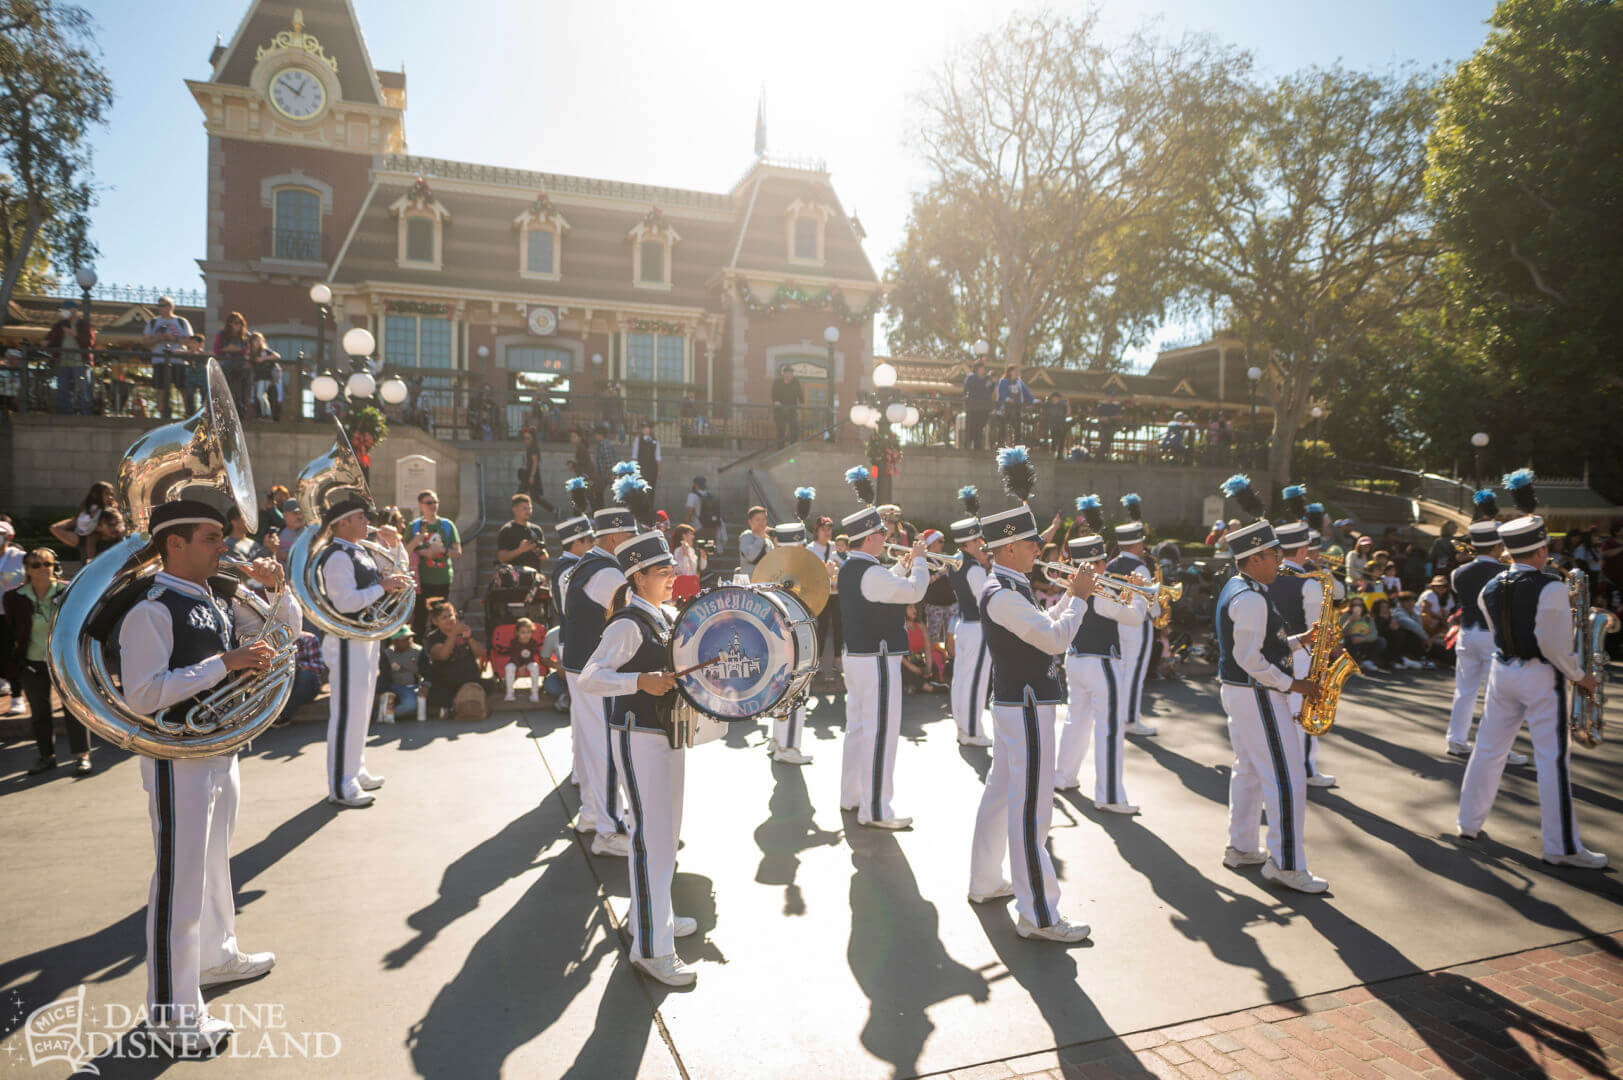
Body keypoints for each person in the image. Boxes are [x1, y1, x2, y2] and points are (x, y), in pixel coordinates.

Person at [116, 500, 299, 1054]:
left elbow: (287, 635)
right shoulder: (151, 608)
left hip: (220, 747)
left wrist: (278, 589)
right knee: (180, 883)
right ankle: (172, 1018)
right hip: (179, 757)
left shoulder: (215, 596)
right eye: (211, 537)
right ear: (175, 544)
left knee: (216, 864)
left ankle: (218, 958)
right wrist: (227, 664)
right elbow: (143, 694)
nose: (225, 545)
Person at [968, 461, 1096, 943]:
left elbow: (1042, 625)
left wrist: (1067, 596)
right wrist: (1080, 600)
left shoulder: (1011, 586)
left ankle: (986, 882)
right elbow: (1054, 641)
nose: (1040, 548)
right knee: (1032, 811)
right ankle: (1038, 914)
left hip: (1019, 704)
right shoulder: (1002, 592)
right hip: (1025, 707)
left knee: (1002, 795)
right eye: (1032, 543)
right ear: (1008, 548)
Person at [578, 525, 700, 986]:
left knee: (666, 835)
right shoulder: (628, 623)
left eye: (672, 568)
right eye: (663, 570)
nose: (673, 575)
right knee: (651, 837)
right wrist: (639, 682)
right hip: (639, 736)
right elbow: (591, 678)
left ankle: (654, 918)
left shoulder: (662, 614)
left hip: (664, 734)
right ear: (638, 576)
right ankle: (651, 947)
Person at [1458, 512, 1606, 868]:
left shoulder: (1489, 587)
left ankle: (1468, 823)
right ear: (1540, 548)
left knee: (1488, 749)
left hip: (1503, 671)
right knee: (1552, 760)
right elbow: (1552, 645)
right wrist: (1580, 674)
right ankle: (1561, 847)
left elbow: (1499, 629)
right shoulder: (1551, 587)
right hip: (1541, 676)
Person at [1211, 499, 1328, 894]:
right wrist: (1292, 684)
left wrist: (1298, 642)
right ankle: (1286, 864)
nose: (1281, 558)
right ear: (1256, 556)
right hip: (1257, 694)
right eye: (1275, 553)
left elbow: (1259, 647)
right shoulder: (1251, 597)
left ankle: (1242, 847)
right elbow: (1250, 659)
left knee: (1247, 769)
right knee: (1287, 777)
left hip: (1243, 692)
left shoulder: (1242, 587)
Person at [837, 464, 927, 828]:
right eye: (881, 532)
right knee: (881, 733)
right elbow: (914, 594)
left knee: (858, 728)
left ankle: (852, 797)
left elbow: (882, 588)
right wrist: (919, 562)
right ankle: (876, 809)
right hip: (878, 658)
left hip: (858, 657)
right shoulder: (871, 572)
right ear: (871, 537)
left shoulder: (851, 567)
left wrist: (902, 568)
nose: (885, 535)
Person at [560, 475, 639, 855]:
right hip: (597, 672)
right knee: (607, 749)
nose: (634, 544)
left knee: (593, 747)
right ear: (612, 539)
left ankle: (594, 815)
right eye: (630, 537)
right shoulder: (607, 573)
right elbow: (639, 612)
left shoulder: (590, 563)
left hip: (582, 668)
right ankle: (610, 831)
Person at [319, 495, 413, 807]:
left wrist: (396, 546)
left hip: (364, 638)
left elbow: (392, 569)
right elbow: (344, 601)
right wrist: (382, 588)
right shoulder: (336, 556)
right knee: (346, 713)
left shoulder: (359, 551)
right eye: (359, 517)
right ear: (342, 523)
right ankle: (341, 786)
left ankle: (355, 771)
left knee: (361, 709)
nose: (366, 522)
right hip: (347, 640)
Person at [1055, 532, 1150, 811]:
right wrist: (1140, 595)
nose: (1104, 567)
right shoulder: (1102, 592)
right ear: (1094, 564)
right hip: (1103, 664)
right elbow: (1134, 618)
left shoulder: (1072, 589)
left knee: (1076, 721)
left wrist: (1128, 593)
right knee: (1109, 730)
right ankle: (1109, 796)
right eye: (1100, 562)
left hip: (1075, 661)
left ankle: (1064, 775)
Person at [1447, 513, 1528, 761]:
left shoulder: (1458, 572)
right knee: (1497, 695)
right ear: (1495, 546)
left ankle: (1456, 740)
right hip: (1492, 637)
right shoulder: (1506, 572)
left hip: (1466, 633)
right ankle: (1497, 748)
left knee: (1465, 690)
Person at [6, 548, 91, 775]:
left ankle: (82, 756)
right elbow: (12, 630)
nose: (44, 569)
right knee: (40, 712)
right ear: (27, 570)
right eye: (37, 565)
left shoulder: (68, 590)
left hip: (64, 661)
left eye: (48, 564)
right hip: (32, 663)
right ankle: (46, 756)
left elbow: (82, 621)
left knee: (73, 710)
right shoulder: (14, 597)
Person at [1265, 521, 1337, 788]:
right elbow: (1318, 630)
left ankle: (1280, 764)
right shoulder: (1308, 584)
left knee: (1275, 712)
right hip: (1301, 655)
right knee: (1303, 714)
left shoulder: (1265, 578)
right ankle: (1307, 769)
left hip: (1270, 654)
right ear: (1303, 549)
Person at [1106, 495, 1162, 737]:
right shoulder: (1140, 568)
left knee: (1121, 671)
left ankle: (1120, 716)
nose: (1144, 548)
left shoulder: (1110, 566)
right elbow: (1150, 603)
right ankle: (1130, 719)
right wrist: (1160, 614)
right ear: (1137, 545)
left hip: (1117, 622)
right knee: (1135, 673)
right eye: (1142, 543)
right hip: (1138, 625)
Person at [946, 499, 993, 747]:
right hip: (977, 627)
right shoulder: (973, 567)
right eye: (977, 541)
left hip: (964, 625)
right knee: (975, 681)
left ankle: (963, 728)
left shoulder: (955, 562)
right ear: (968, 542)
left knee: (962, 679)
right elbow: (985, 601)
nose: (981, 545)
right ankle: (973, 732)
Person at [406, 489, 461, 637]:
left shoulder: (447, 525)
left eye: (435, 502)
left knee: (442, 619)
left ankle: (439, 649)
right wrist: (423, 551)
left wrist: (441, 550)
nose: (433, 506)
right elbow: (404, 551)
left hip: (442, 579)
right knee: (420, 619)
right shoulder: (414, 526)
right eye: (429, 503)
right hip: (420, 581)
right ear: (420, 505)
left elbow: (457, 553)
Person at [423, 599, 488, 718]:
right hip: (448, 682)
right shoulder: (433, 637)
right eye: (444, 617)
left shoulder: (463, 631)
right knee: (436, 695)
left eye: (451, 615)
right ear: (436, 622)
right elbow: (442, 656)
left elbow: (480, 653)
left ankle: (462, 705)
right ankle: (457, 707)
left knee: (490, 684)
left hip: (469, 679)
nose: (449, 619)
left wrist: (469, 639)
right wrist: (453, 634)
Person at [141, 297, 194, 420]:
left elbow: (191, 341)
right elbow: (145, 342)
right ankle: (162, 415)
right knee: (161, 388)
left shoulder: (181, 321)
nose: (160, 308)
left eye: (163, 305)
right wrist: (158, 339)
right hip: (159, 360)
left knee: (183, 387)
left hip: (178, 360)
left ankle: (188, 414)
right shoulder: (153, 322)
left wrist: (173, 339)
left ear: (171, 306)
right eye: (158, 305)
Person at [46, 302, 95, 415]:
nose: (63, 312)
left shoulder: (84, 325)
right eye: (62, 309)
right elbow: (51, 339)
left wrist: (75, 335)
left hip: (80, 362)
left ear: (74, 311)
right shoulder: (59, 325)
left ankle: (85, 413)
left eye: (65, 309)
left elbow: (89, 342)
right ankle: (65, 413)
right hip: (63, 361)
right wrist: (47, 342)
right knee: (63, 388)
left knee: (83, 389)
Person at [212, 311, 253, 416]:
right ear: (229, 323)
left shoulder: (246, 336)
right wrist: (226, 349)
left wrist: (238, 349)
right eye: (235, 323)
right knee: (225, 392)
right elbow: (216, 350)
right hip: (226, 367)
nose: (238, 325)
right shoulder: (221, 335)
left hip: (241, 368)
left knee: (240, 393)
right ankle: (225, 414)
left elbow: (250, 351)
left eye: (240, 323)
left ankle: (241, 415)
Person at [496, 493, 548, 573]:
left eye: (530, 508)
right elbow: (501, 558)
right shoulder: (506, 530)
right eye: (525, 508)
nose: (528, 511)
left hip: (533, 577)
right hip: (514, 579)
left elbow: (545, 557)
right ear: (514, 509)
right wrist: (520, 550)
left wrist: (537, 550)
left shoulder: (536, 530)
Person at [380, 629, 422, 722]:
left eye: (409, 637)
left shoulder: (418, 651)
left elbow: (425, 671)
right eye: (405, 639)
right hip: (393, 686)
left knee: (410, 705)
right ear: (394, 641)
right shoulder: (388, 654)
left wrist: (425, 685)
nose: (409, 640)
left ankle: (388, 714)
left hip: (411, 687)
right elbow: (384, 674)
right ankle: (383, 713)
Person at [503, 617, 543, 702]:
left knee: (535, 667)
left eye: (529, 632)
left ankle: (534, 692)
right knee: (509, 668)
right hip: (515, 662)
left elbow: (532, 656)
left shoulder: (533, 642)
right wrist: (519, 666)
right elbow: (514, 656)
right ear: (517, 633)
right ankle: (510, 693)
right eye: (523, 632)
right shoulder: (514, 642)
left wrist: (524, 666)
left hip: (528, 662)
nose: (526, 635)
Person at [684, 475, 726, 552]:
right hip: (711, 526)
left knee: (699, 550)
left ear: (695, 484)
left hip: (698, 527)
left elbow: (689, 512)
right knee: (709, 550)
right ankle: (710, 562)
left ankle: (701, 563)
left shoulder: (692, 496)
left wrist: (685, 526)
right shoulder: (709, 495)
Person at [994, 365, 1033, 444]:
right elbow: (1002, 393)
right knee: (1003, 427)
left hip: (1017, 409)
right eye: (1014, 371)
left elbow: (1026, 392)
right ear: (1009, 372)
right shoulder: (1003, 381)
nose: (1016, 373)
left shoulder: (1019, 382)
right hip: (1004, 409)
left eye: (1017, 371)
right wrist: (1008, 399)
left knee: (1017, 427)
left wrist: (1033, 400)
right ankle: (1000, 444)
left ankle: (1017, 444)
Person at [961, 359, 994, 450]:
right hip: (973, 408)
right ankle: (967, 448)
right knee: (971, 429)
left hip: (983, 409)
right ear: (977, 369)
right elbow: (967, 390)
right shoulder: (971, 377)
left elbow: (989, 390)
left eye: (984, 368)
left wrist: (992, 383)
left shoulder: (987, 378)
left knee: (979, 429)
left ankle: (978, 448)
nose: (983, 370)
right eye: (981, 368)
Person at [671, 523, 706, 602]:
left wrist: (703, 555)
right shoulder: (678, 550)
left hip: (693, 585)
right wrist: (685, 555)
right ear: (684, 535)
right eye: (690, 534)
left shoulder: (692, 550)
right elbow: (682, 570)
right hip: (682, 585)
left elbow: (701, 567)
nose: (693, 536)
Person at [771, 365, 804, 446]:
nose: (789, 375)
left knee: (794, 429)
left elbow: (800, 393)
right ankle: (781, 449)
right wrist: (775, 401)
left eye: (791, 373)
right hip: (780, 410)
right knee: (781, 430)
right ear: (784, 374)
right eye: (788, 373)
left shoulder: (796, 381)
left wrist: (802, 403)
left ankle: (792, 449)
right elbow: (773, 394)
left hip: (792, 409)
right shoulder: (777, 382)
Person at [517, 428, 549, 509]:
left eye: (528, 438)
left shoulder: (533, 448)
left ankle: (554, 510)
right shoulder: (529, 448)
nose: (526, 440)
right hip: (527, 474)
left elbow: (535, 462)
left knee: (534, 497)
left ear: (533, 439)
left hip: (531, 475)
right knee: (521, 495)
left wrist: (531, 476)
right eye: (524, 438)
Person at [737, 506, 772, 575]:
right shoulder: (746, 537)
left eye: (764, 519)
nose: (762, 523)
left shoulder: (768, 541)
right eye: (758, 520)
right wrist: (761, 537)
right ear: (750, 522)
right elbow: (751, 557)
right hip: (750, 581)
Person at [630, 420, 662, 491]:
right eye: (643, 428)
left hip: (652, 469)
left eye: (646, 428)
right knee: (641, 490)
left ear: (650, 429)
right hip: (641, 468)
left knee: (651, 489)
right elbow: (634, 456)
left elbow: (658, 457)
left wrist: (659, 470)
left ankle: (650, 502)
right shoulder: (638, 440)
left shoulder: (655, 441)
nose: (644, 429)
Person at [1042, 392, 1069, 459]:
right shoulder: (1048, 405)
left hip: (1061, 423)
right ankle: (1053, 453)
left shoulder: (1063, 405)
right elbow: (1045, 413)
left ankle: (1060, 455)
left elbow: (1067, 413)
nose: (1055, 399)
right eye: (1054, 398)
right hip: (1053, 424)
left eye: (1057, 398)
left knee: (1061, 440)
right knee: (1054, 438)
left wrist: (1068, 405)